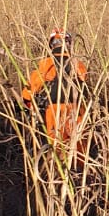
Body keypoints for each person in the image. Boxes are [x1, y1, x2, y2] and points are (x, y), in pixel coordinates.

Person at [21, 28, 91, 162]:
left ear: (51, 44)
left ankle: (59, 177)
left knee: (57, 149)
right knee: (79, 147)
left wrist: (28, 106)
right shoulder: (78, 64)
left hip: (54, 111)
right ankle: (80, 175)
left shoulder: (46, 64)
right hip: (77, 110)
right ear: (69, 44)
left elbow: (30, 90)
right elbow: (85, 82)